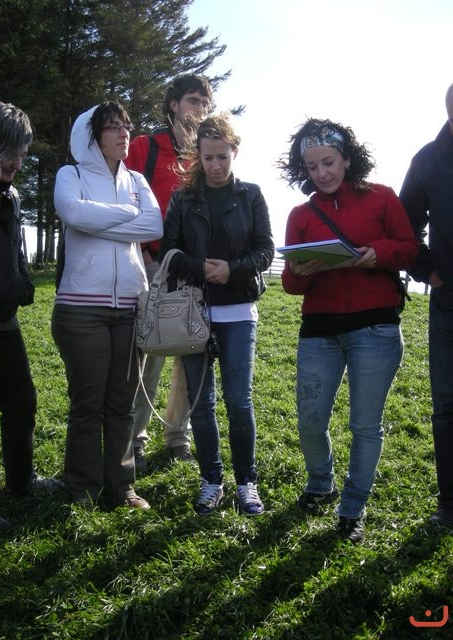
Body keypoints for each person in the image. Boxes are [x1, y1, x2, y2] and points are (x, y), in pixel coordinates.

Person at [280, 118, 418, 542]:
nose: (321, 173)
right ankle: (321, 483)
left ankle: (353, 508)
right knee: (310, 421)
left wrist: (377, 253)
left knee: (364, 426)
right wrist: (300, 272)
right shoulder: (301, 215)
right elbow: (290, 283)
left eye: (328, 162)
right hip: (318, 330)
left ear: (347, 158)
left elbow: (410, 248)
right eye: (312, 166)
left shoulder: (382, 197)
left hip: (375, 329)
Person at [160, 113, 274, 516]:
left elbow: (266, 250)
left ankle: (246, 482)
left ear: (235, 151)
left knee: (239, 402)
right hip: (193, 312)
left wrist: (234, 269)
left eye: (222, 156)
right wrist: (199, 268)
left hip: (239, 312)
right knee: (201, 404)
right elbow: (168, 251)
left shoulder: (252, 195)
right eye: (208, 158)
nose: (216, 165)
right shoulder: (182, 198)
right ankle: (211, 480)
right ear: (198, 156)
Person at [52, 101, 163, 510]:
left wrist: (97, 221)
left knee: (122, 402)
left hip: (130, 306)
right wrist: (127, 216)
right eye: (113, 127)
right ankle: (82, 488)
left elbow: (154, 225)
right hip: (81, 309)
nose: (123, 133)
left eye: (126, 126)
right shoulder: (72, 175)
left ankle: (122, 487)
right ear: (92, 136)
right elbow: (71, 212)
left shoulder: (137, 179)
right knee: (88, 402)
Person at [0, 102, 62, 534]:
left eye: (23, 155)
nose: (18, 164)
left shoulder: (9, 193)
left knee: (21, 400)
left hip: (2, 320)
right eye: (11, 155)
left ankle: (22, 482)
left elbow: (13, 250)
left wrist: (23, 282)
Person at [125, 74, 213, 471]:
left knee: (191, 351)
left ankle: (178, 436)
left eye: (204, 103)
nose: (199, 109)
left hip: (195, 268)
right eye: (193, 100)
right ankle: (134, 439)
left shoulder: (205, 154)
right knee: (151, 351)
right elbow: (125, 200)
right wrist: (144, 253)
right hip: (153, 265)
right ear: (173, 104)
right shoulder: (144, 147)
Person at [399, 84, 453, 525]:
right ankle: (450, 504)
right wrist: (428, 273)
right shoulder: (429, 160)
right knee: (448, 404)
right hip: (449, 301)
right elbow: (405, 225)